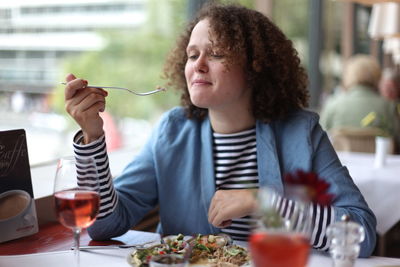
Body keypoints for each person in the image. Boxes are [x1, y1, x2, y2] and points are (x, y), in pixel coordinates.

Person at [63, 3, 376, 257]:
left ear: (255, 68)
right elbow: (104, 225)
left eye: (216, 54)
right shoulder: (172, 131)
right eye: (191, 55)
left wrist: (265, 202)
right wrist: (93, 138)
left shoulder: (301, 133)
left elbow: (361, 233)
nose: (198, 65)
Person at [320, 54, 396, 136]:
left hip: (338, 149)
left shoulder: (332, 104)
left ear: (348, 76)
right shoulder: (388, 106)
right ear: (377, 76)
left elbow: (318, 138)